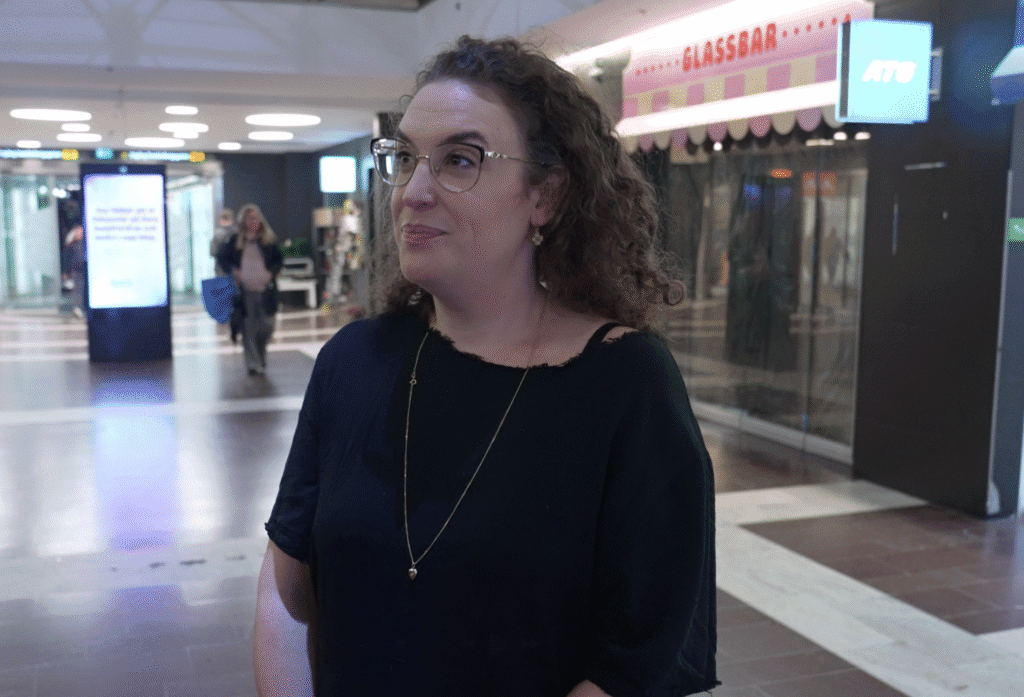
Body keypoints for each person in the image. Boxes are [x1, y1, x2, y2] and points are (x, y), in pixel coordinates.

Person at [254, 36, 718, 697]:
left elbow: (637, 664)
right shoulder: (353, 361)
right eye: (407, 158)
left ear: (546, 195)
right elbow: (284, 591)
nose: (413, 191)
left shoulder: (627, 385)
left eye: (460, 160)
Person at [217, 204, 282, 376]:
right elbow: (222, 258)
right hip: (244, 291)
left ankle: (261, 357)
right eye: (249, 218)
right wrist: (233, 271)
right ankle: (253, 363)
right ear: (243, 221)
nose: (253, 221)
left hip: (265, 290)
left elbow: (278, 260)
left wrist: (271, 273)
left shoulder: (267, 240)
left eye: (255, 217)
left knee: (266, 326)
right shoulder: (235, 240)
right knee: (248, 328)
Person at [211, 207, 236, 276]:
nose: (225, 220)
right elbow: (212, 252)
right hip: (220, 270)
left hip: (235, 269)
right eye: (224, 218)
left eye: (227, 218)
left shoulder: (237, 234)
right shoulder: (217, 235)